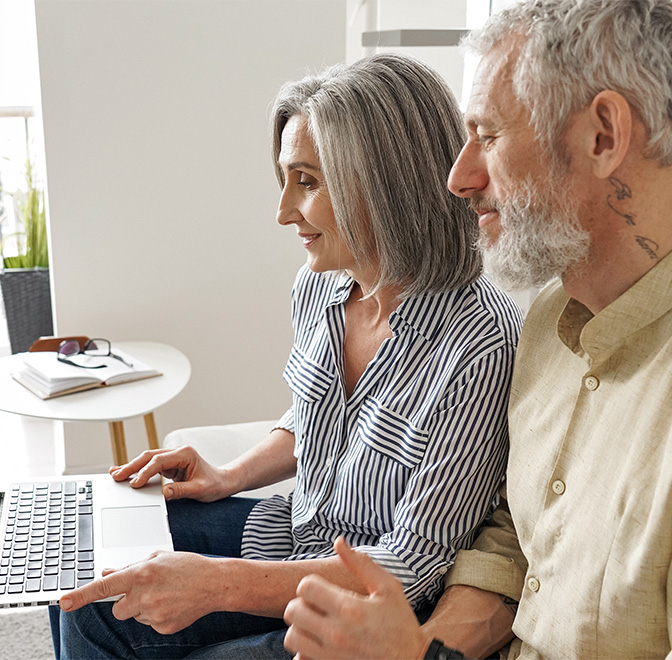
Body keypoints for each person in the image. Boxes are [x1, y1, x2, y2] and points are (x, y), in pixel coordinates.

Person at [49, 53, 522, 659]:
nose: (282, 212)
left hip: (367, 606)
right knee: (82, 574)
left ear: (383, 183)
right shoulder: (320, 286)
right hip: (291, 535)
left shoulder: (480, 343)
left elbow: (412, 563)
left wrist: (215, 586)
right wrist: (231, 475)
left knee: (133, 621)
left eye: (306, 181)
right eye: (285, 180)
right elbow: (316, 414)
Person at [282, 1, 672, 658]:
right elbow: (511, 544)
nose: (458, 178)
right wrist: (419, 647)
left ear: (603, 136)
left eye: (487, 136)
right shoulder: (546, 324)